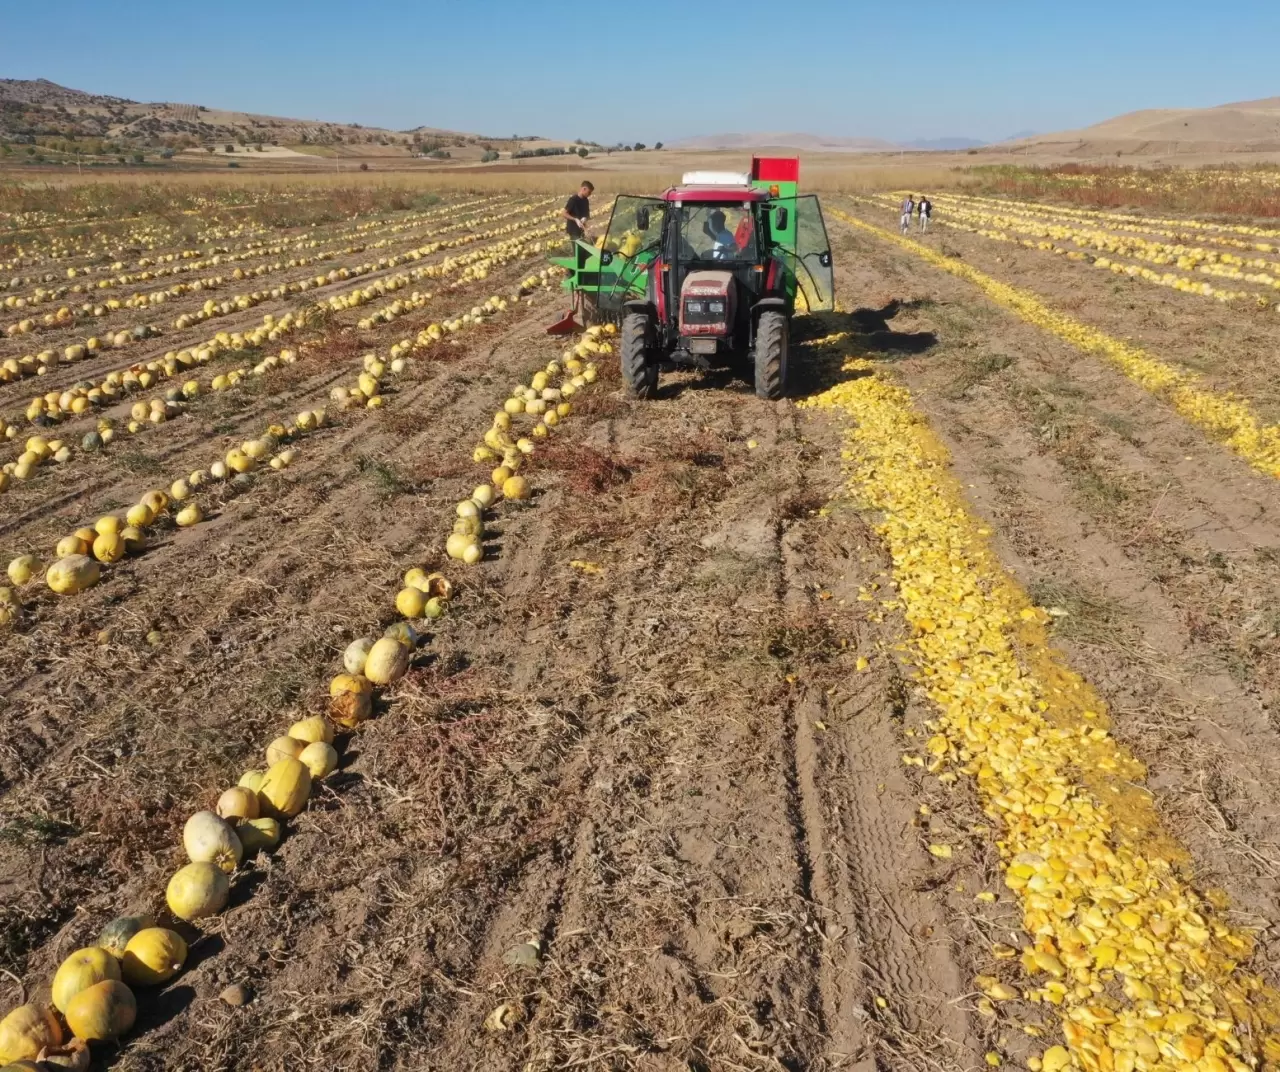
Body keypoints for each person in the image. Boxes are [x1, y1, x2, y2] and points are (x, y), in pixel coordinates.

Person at [563, 181, 594, 246]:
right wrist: (575, 219)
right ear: (584, 189)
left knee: (584, 248)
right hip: (573, 230)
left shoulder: (586, 200)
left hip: (582, 230)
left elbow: (587, 214)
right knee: (578, 249)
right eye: (589, 192)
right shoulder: (573, 200)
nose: (590, 194)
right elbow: (564, 213)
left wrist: (585, 218)